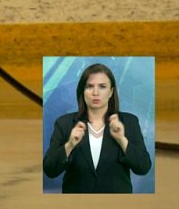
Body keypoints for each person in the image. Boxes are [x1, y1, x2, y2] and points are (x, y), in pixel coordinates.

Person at [42, 63, 152, 193]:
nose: (95, 92)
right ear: (82, 91)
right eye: (89, 86)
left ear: (111, 92)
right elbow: (49, 170)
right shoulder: (64, 123)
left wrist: (122, 140)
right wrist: (70, 145)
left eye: (102, 87)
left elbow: (143, 167)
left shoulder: (129, 122)